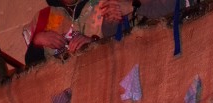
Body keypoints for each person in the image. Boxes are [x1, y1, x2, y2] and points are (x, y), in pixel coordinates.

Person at [24, 0, 176, 64]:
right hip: (66, 101)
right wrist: (37, 42)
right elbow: (31, 69)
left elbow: (125, 42)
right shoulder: (43, 17)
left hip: (107, 85)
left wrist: (95, 44)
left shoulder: (106, 1)